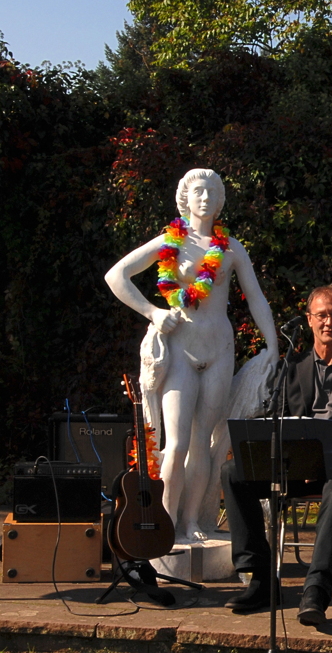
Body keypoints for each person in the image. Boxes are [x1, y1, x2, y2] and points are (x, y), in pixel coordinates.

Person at [105, 169, 278, 545]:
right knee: (177, 441)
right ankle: (163, 522)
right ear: (186, 198)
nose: (205, 198)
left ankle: (190, 521)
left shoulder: (231, 248)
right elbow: (116, 275)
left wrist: (273, 344)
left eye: (212, 192)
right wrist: (152, 312)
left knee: (204, 441)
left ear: (219, 201)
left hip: (219, 350)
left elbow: (257, 298)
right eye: (198, 191)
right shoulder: (170, 242)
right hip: (181, 350)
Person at [220, 284, 332, 622]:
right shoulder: (291, 369)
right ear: (309, 320)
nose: (329, 322)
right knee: (233, 472)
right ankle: (261, 577)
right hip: (297, 464)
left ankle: (315, 592)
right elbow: (278, 423)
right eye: (322, 315)